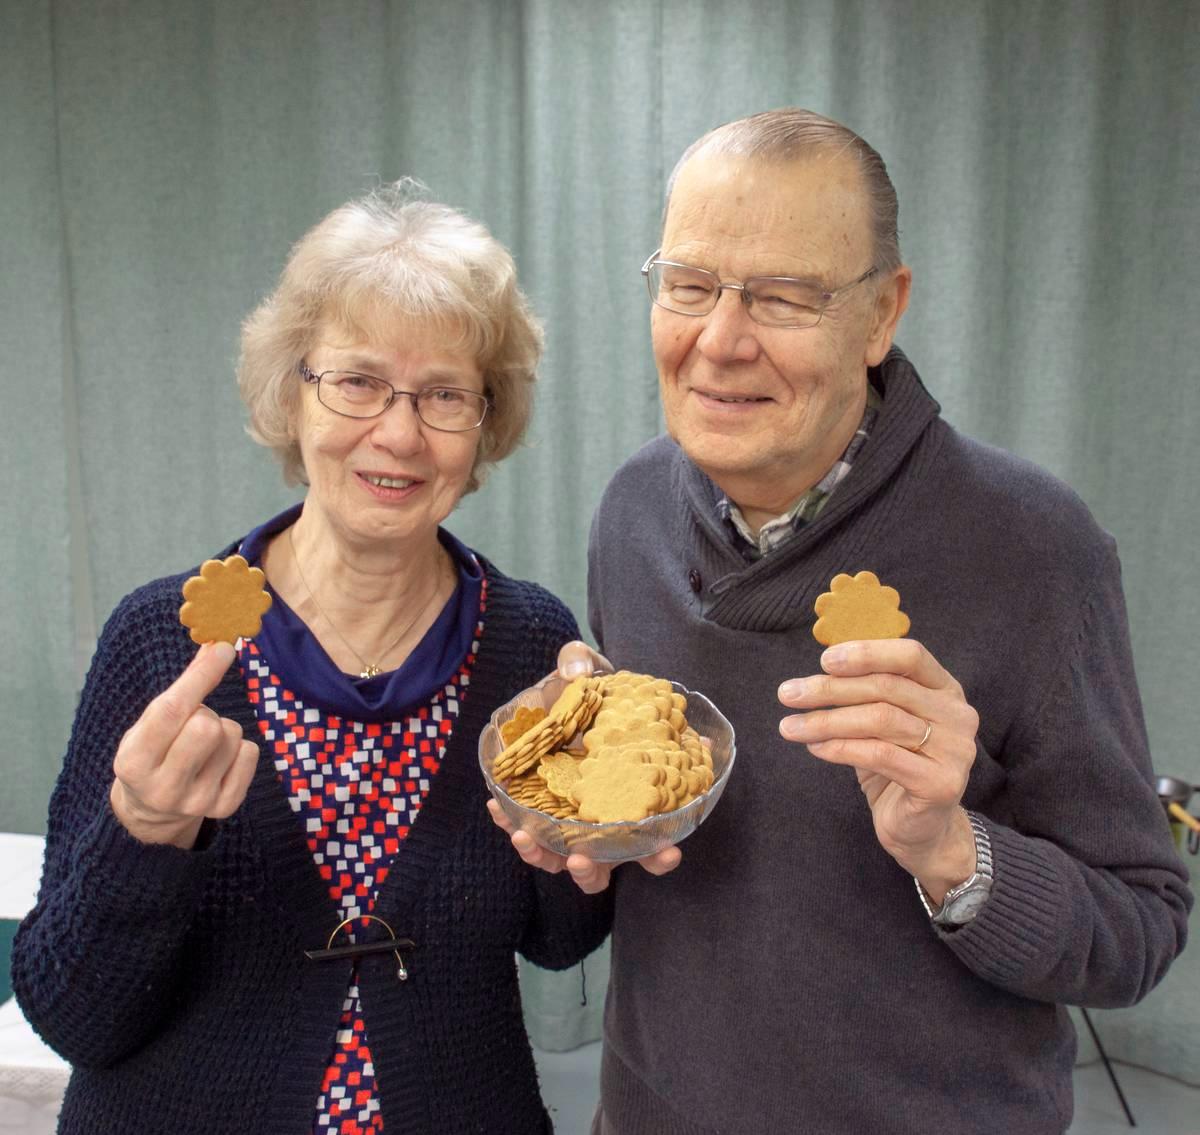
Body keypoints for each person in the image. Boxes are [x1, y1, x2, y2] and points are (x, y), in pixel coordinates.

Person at [491, 109, 1192, 1134]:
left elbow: (1139, 928)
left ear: (880, 314)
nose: (720, 342)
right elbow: (679, 871)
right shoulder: (631, 510)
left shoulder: (1036, 551)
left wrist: (952, 851)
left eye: (782, 296)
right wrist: (589, 829)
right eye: (689, 286)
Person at [13, 182, 611, 1135]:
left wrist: (588, 842)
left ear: (485, 420)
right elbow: (72, 1010)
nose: (401, 432)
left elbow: (558, 939)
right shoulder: (163, 642)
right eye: (358, 381)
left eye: (445, 393)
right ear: (290, 392)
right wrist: (142, 830)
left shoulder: (532, 643)